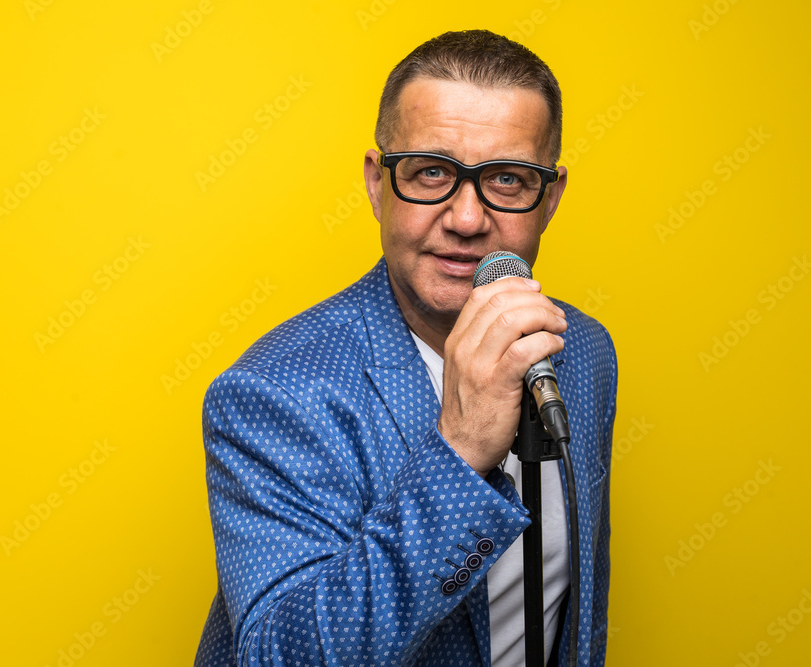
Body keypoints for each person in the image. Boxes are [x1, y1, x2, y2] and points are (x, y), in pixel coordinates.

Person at [195, 29, 617, 667]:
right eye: (432, 173)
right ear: (376, 182)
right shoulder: (272, 394)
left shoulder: (582, 351)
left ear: (550, 198)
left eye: (505, 179)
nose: (467, 219)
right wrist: (459, 453)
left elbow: (571, 612)